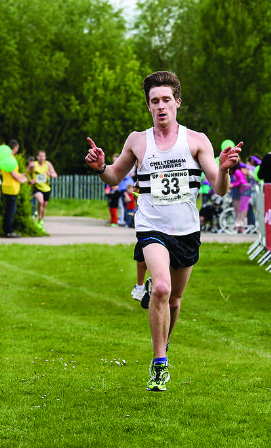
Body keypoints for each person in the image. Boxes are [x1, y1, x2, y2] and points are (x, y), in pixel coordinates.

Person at [84, 70, 240, 392]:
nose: (160, 106)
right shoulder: (137, 141)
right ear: (148, 107)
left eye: (166, 100)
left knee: (176, 301)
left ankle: (163, 347)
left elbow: (220, 188)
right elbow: (115, 176)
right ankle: (159, 365)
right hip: (151, 227)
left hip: (186, 231)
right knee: (161, 289)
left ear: (178, 102)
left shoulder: (197, 140)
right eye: (154, 101)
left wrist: (224, 169)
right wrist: (101, 167)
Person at [1, 139, 27, 238]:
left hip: (8, 187)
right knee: (10, 211)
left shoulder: (5, 158)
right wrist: (20, 180)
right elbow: (12, 174)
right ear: (15, 147)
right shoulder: (10, 159)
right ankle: (8, 231)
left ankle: (7, 229)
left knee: (9, 210)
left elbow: (15, 173)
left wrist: (22, 175)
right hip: (11, 188)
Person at [26, 150, 57, 227]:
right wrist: (30, 181)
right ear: (37, 157)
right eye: (40, 156)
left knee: (44, 206)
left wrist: (51, 174)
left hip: (46, 188)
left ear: (45, 157)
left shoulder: (48, 164)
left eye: (43, 156)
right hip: (37, 187)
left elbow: (55, 174)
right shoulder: (33, 165)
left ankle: (40, 220)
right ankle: (39, 218)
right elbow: (26, 174)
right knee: (40, 201)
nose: (42, 158)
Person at [230, 163, 251, 232]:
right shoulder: (235, 172)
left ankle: (241, 225)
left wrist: (233, 185)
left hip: (245, 190)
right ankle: (240, 227)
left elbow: (242, 181)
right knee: (239, 208)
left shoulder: (237, 172)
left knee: (242, 209)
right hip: (241, 191)